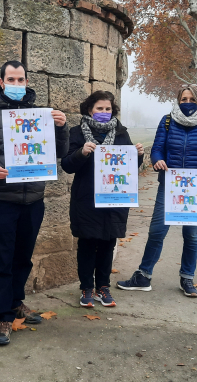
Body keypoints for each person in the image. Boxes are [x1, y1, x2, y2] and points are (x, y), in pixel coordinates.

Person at [0, 60, 69, 345]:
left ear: (26, 82)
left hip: (34, 198)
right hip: (2, 198)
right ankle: (3, 316)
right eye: (10, 80)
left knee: (23, 255)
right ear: (1, 82)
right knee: (2, 256)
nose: (16, 84)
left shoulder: (40, 115)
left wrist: (61, 127)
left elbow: (59, 153)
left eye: (20, 79)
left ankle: (15, 301)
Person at [117, 84, 197, 298]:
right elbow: (156, 149)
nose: (187, 103)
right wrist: (158, 161)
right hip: (170, 184)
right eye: (184, 99)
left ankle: (187, 278)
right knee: (157, 231)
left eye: (192, 100)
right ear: (177, 100)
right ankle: (143, 275)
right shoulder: (167, 121)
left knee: (191, 235)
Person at [61, 91, 144, 308]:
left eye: (108, 109)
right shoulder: (77, 133)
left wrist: (139, 155)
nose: (104, 113)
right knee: (87, 244)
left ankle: (103, 287)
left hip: (114, 199)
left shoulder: (121, 133)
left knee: (108, 243)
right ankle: (86, 287)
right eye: (100, 108)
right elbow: (67, 165)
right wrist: (82, 153)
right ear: (90, 110)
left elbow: (129, 168)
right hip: (87, 199)